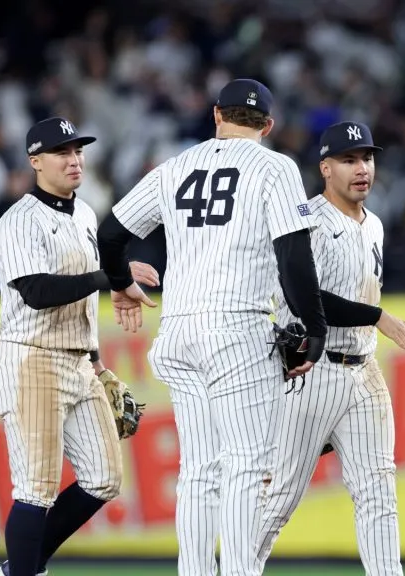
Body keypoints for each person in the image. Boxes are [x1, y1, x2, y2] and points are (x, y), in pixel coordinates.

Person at [95, 79, 327, 576]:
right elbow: (293, 255)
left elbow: (110, 234)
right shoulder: (275, 165)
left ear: (216, 116)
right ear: (267, 125)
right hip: (236, 329)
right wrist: (315, 327)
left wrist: (119, 282)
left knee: (199, 471)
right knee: (245, 466)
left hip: (178, 332)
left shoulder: (175, 167)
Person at [0, 117, 158, 576]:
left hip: (79, 361)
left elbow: (82, 300)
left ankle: (21, 567)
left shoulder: (85, 214)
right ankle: (25, 571)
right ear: (35, 161)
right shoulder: (18, 219)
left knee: (105, 477)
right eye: (62, 151)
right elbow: (38, 292)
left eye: (78, 150)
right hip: (31, 356)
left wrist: (99, 364)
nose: (74, 159)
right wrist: (115, 277)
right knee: (35, 488)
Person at [257, 121, 405, 575]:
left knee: (378, 491)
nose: (361, 168)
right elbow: (303, 299)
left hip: (363, 370)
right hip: (309, 371)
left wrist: (373, 321)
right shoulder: (305, 221)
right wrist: (377, 316)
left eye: (367, 158)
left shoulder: (377, 225)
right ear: (325, 168)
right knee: (278, 499)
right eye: (349, 160)